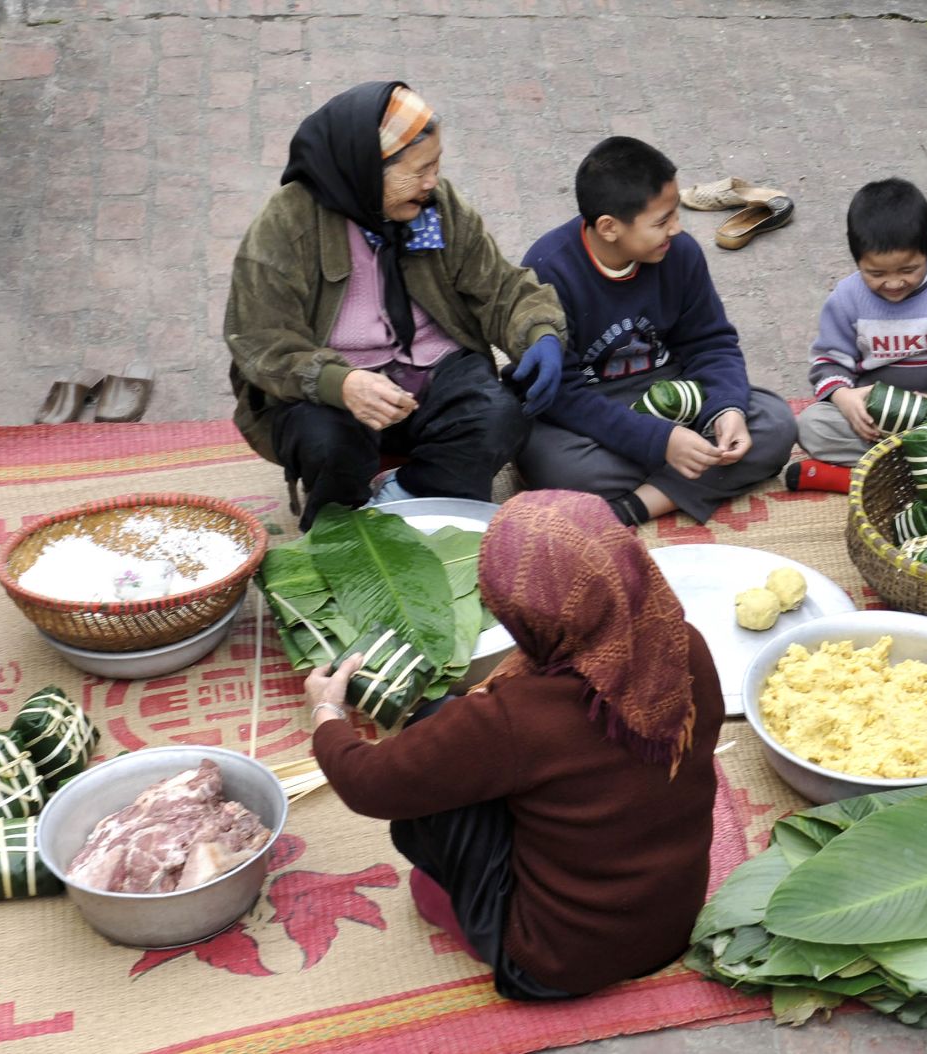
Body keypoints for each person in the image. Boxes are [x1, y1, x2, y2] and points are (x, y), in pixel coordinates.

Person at [304, 490, 724, 999]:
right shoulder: (685, 645)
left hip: (550, 961)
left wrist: (326, 712)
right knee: (462, 742)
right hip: (672, 925)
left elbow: (367, 785)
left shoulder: (515, 718)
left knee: (429, 751)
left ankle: (452, 907)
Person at [224, 81, 567, 531]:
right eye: (418, 171)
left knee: (499, 414)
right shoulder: (285, 226)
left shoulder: (438, 206)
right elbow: (258, 341)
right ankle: (345, 522)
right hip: (333, 386)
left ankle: (409, 495)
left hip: (433, 369)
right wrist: (339, 383)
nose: (432, 183)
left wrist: (539, 330)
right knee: (328, 443)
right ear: (367, 169)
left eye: (437, 165)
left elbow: (501, 287)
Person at [517, 136, 796, 527]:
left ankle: (635, 506)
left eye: (675, 214)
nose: (677, 229)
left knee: (776, 425)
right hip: (592, 407)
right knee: (553, 465)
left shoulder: (680, 254)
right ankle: (689, 479)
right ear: (609, 227)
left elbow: (711, 342)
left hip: (676, 393)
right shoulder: (549, 270)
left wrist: (727, 408)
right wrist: (659, 442)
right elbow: (561, 394)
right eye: (662, 221)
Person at [787, 178, 927, 494]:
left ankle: (870, 478)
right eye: (876, 274)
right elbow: (827, 364)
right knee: (812, 427)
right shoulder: (847, 299)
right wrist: (844, 399)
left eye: (908, 270)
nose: (893, 283)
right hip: (877, 423)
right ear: (855, 254)